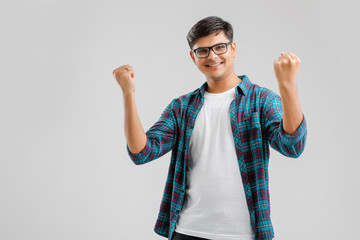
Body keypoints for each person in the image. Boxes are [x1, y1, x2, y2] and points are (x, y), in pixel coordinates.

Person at [112, 16, 307, 240]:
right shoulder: (182, 107)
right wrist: (128, 93)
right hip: (187, 231)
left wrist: (287, 85)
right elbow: (142, 153)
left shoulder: (260, 100)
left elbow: (293, 145)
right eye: (202, 50)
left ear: (233, 49)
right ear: (192, 57)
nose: (212, 56)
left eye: (219, 47)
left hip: (244, 234)